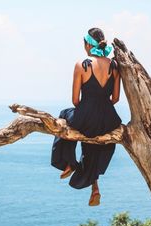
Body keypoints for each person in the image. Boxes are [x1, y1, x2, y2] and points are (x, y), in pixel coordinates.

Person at [51, 27, 122, 206]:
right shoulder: (114, 66)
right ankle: (95, 187)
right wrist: (100, 108)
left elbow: (75, 100)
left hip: (87, 114)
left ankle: (68, 162)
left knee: (64, 117)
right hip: (108, 118)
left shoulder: (82, 65)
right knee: (92, 141)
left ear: (88, 45)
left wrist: (88, 109)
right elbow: (115, 98)